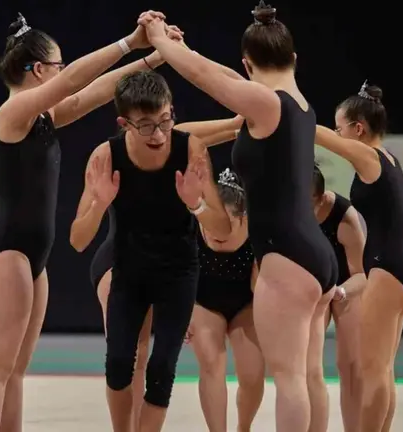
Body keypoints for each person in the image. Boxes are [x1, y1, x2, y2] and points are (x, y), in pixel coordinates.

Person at [0, 12, 183, 432]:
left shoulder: (43, 117)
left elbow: (96, 92)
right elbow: (72, 83)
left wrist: (154, 57)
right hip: (6, 251)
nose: (64, 72)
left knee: (15, 372)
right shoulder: (12, 113)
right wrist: (129, 42)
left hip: (32, 258)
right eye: (59, 64)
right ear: (39, 70)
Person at [139, 4, 338, 431]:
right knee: (307, 377)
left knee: (290, 380)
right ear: (293, 58)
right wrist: (183, 47)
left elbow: (206, 78)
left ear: (248, 63)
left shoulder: (267, 104)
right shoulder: (299, 104)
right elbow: (223, 77)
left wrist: (157, 40)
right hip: (315, 255)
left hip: (286, 257)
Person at [73, 69, 232, 432]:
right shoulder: (106, 156)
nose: (159, 134)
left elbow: (222, 229)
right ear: (124, 124)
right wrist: (99, 204)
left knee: (161, 369)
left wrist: (197, 205)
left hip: (178, 272)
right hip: (128, 271)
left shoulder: (191, 149)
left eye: (165, 120)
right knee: (119, 364)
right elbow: (77, 240)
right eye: (146, 126)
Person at [314, 81, 403, 431]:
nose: (337, 133)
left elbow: (315, 133)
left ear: (358, 129)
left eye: (339, 127)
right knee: (383, 370)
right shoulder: (388, 158)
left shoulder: (369, 156)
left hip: (388, 270)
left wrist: (283, 107)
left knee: (372, 371)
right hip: (401, 270)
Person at [184, 168, 265, 432]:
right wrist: (178, 313)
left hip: (246, 302)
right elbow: (173, 273)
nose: (217, 231)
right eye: (212, 222)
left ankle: (244, 427)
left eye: (226, 223)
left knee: (252, 374)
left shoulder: (258, 231)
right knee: (211, 364)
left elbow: (263, 287)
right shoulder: (190, 226)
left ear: (243, 217)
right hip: (203, 300)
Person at [311, 163, 367, 431]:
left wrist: (341, 292)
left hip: (347, 285)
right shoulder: (291, 210)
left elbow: (362, 274)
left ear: (322, 198)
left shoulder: (345, 216)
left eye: (309, 203)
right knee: (309, 367)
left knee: (351, 365)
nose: (303, 210)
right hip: (314, 287)